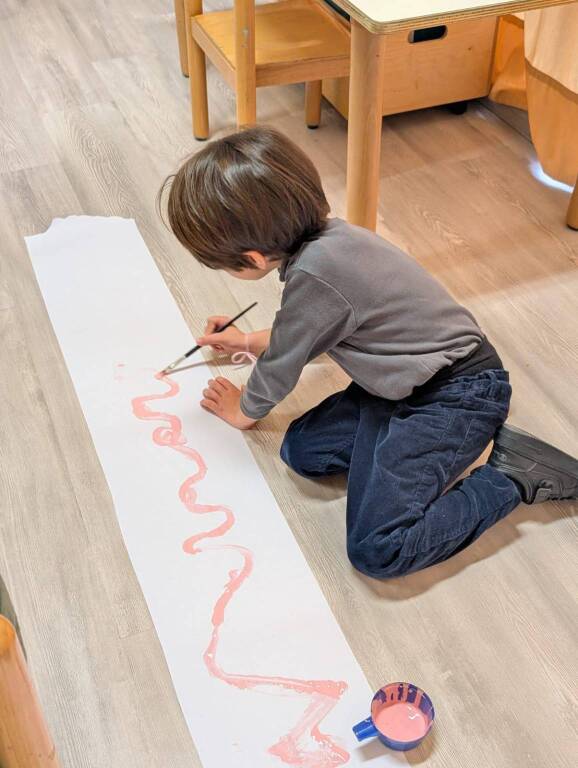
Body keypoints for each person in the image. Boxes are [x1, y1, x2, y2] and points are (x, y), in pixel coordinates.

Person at [160, 126, 578, 580]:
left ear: (256, 258)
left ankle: (516, 475)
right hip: (403, 383)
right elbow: (300, 333)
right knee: (303, 452)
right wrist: (242, 342)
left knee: (378, 549)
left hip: (457, 393)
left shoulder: (317, 276)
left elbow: (283, 362)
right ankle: (404, 456)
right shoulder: (329, 244)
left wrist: (243, 410)